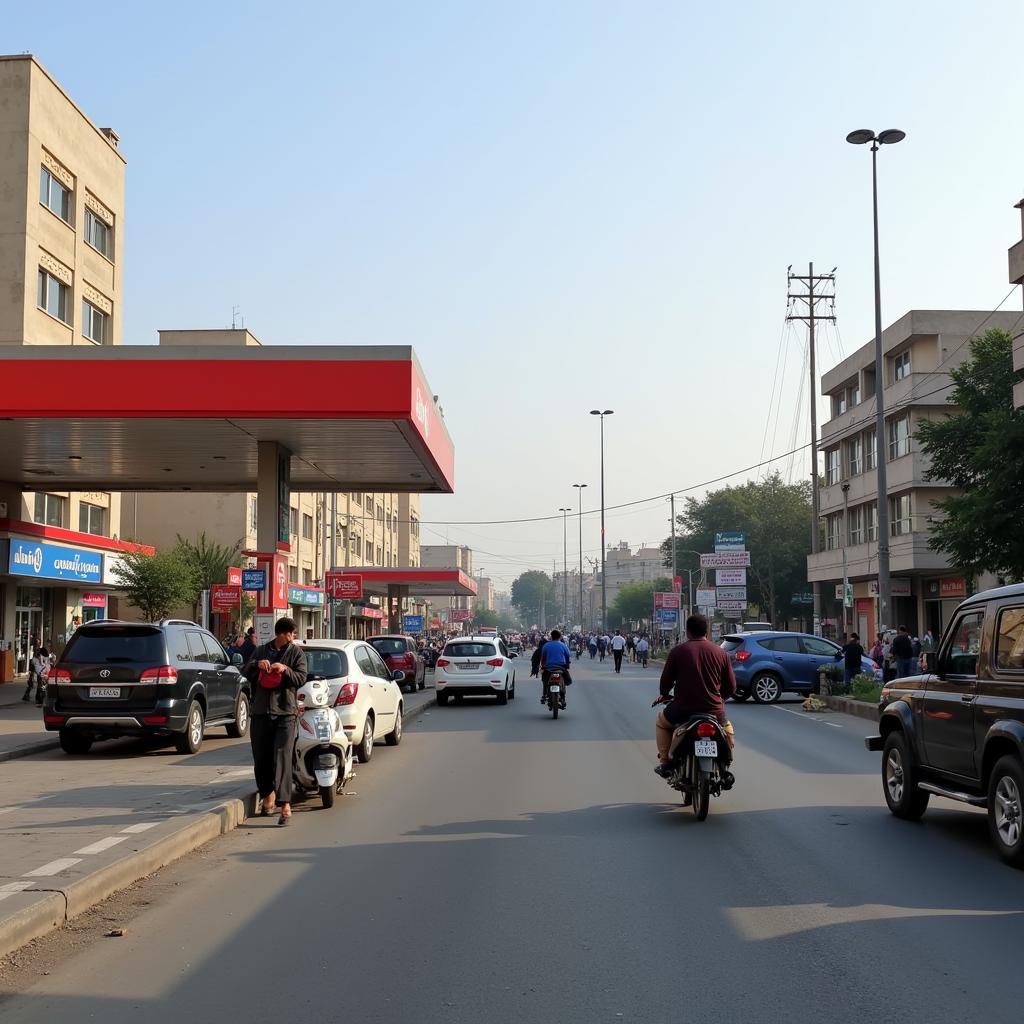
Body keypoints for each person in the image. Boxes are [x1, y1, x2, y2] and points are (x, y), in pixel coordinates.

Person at [654, 615, 736, 787]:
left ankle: (665, 762)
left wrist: (664, 694)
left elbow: (666, 681)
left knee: (662, 723)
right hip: (714, 710)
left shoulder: (678, 651)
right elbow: (731, 686)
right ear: (706, 631)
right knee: (726, 728)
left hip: (682, 709)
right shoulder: (720, 653)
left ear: (687, 631)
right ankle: (726, 763)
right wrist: (720, 700)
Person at [243, 616, 307, 827]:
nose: (293, 637)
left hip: (286, 714)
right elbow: (246, 671)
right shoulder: (261, 650)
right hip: (261, 712)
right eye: (291, 633)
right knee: (261, 758)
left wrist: (285, 670)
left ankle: (285, 805)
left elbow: (301, 678)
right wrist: (256, 664)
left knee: (282, 757)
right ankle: (267, 794)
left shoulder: (296, 653)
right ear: (282, 634)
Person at [539, 629, 572, 708]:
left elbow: (543, 658)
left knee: (544, 680)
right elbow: (567, 656)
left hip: (548, 668)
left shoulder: (546, 645)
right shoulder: (563, 645)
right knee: (566, 680)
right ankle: (563, 698)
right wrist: (567, 665)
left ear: (551, 636)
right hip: (561, 667)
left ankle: (544, 695)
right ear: (560, 637)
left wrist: (543, 666)